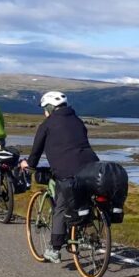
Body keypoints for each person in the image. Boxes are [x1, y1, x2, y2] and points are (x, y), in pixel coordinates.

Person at [20, 91, 99, 263]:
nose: (44, 112)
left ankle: (54, 249)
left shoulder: (47, 124)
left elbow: (36, 152)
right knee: (83, 198)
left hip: (67, 171)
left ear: (49, 107)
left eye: (44, 109)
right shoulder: (78, 121)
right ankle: (87, 232)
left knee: (61, 207)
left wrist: (28, 164)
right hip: (92, 166)